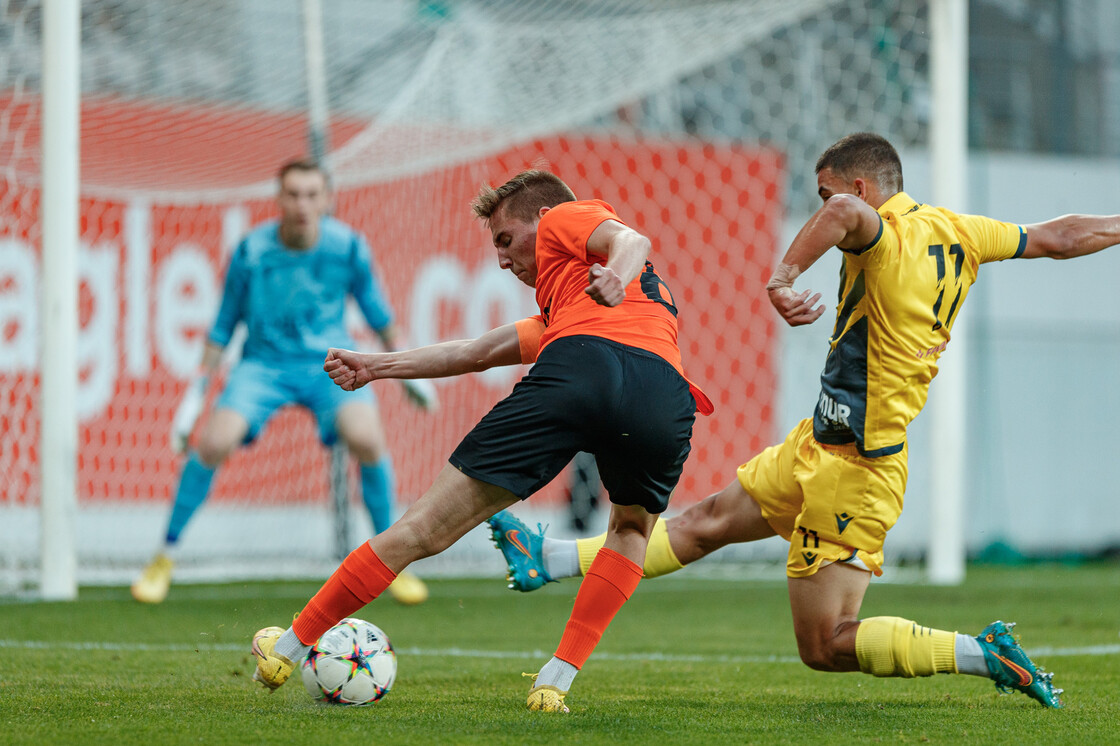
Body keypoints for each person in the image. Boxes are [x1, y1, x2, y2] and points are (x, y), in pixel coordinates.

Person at [488, 133, 1120, 709]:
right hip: (816, 443)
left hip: (860, 470)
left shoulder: (878, 228)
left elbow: (843, 217)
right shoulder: (965, 231)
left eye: (823, 193)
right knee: (703, 523)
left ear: (861, 187)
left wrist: (782, 278)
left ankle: (983, 654)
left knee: (825, 645)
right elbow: (1059, 236)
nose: (824, 207)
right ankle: (548, 556)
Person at [248, 169, 713, 713]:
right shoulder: (572, 301)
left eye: (505, 239)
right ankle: (553, 683)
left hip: (583, 366)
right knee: (631, 530)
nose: (501, 259)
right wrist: (377, 366)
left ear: (542, 220)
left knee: (421, 529)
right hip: (664, 394)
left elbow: (631, 240)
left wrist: (614, 271)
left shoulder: (566, 219)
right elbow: (475, 351)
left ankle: (285, 650)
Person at [131, 159, 435, 606]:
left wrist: (410, 370)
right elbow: (221, 328)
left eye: (312, 195)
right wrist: (194, 397)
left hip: (331, 364)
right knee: (213, 442)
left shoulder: (348, 247)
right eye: (293, 194)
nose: (302, 204)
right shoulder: (251, 252)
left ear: (327, 199)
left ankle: (391, 563)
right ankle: (164, 556)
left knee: (368, 439)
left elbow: (379, 316)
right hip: (264, 366)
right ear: (278, 199)